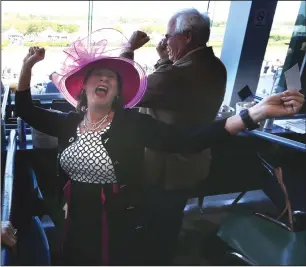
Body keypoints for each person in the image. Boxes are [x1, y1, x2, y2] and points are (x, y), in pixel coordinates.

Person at [15, 29, 304, 265]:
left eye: (112, 78)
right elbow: (26, 109)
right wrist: (28, 67)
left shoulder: (133, 125)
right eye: (97, 75)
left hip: (117, 226)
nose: (104, 79)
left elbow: (189, 140)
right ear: (84, 87)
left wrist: (253, 114)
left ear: (117, 92)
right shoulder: (68, 124)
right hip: (73, 220)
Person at [121, 8, 227, 264]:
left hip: (167, 168)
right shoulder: (216, 66)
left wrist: (128, 49)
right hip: (193, 161)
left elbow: (125, 91)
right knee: (171, 219)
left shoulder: (179, 73)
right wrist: (164, 59)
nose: (166, 41)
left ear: (187, 36)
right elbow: (170, 89)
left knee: (157, 226)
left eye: (169, 36)